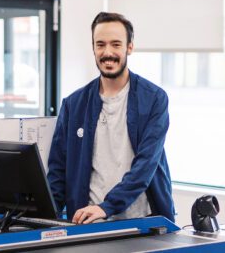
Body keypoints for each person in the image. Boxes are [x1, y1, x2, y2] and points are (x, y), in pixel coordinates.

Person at [47, 12, 175, 224]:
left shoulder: (154, 99)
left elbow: (145, 166)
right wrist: (41, 220)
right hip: (88, 224)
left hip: (141, 223)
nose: (108, 52)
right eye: (100, 45)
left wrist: (106, 207)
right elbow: (58, 172)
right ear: (93, 48)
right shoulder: (73, 104)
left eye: (116, 44)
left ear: (129, 47)